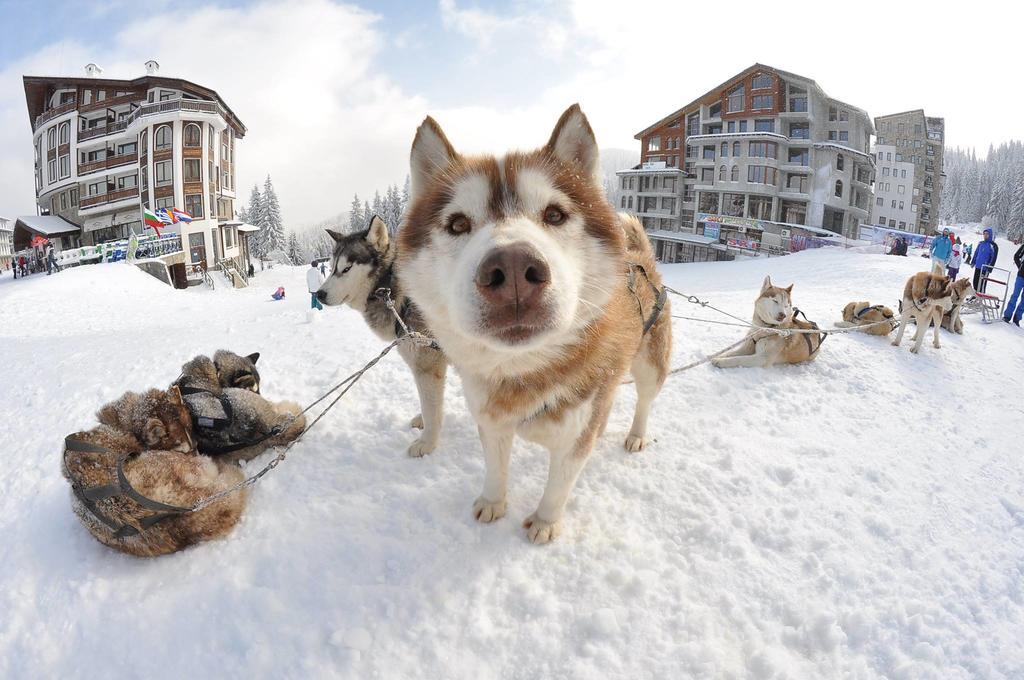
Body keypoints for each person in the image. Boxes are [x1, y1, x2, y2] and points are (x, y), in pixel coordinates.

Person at [970, 227, 1000, 293]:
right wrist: (973, 262)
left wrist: (989, 268)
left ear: (990, 235)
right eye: (984, 234)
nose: (985, 235)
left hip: (985, 268)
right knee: (975, 282)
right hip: (978, 266)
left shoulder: (993, 245)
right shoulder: (981, 243)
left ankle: (980, 297)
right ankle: (975, 296)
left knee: (981, 284)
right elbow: (976, 253)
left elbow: (993, 258)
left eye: (987, 234)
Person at [1003, 241, 1024, 326]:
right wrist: (1020, 267)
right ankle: (1007, 316)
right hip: (1021, 276)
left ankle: (1017, 319)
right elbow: (1016, 256)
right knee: (1015, 295)